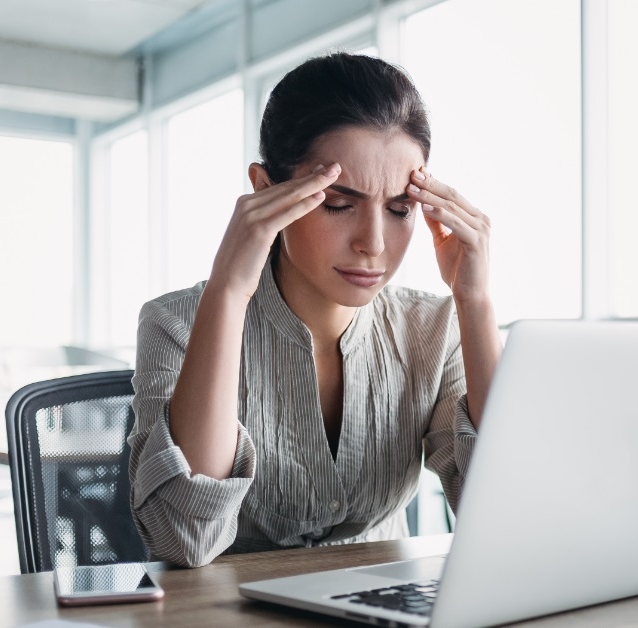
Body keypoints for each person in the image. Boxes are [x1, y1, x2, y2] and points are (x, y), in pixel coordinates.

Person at [126, 52, 500, 568]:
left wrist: (474, 300)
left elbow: (500, 515)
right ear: (266, 191)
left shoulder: (433, 328)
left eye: (399, 209)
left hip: (386, 603)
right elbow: (184, 540)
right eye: (338, 204)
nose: (373, 243)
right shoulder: (176, 324)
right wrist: (229, 291)